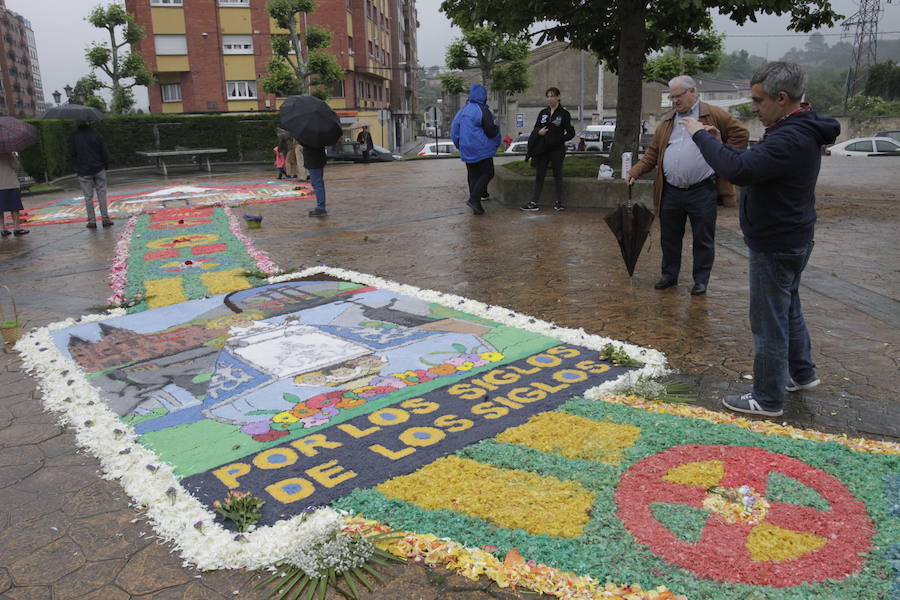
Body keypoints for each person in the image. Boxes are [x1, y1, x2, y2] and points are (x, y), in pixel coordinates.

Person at [682, 61, 839, 418]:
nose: (753, 108)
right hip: (793, 236)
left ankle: (767, 398)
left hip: (776, 241)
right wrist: (721, 144)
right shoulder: (797, 127)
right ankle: (801, 374)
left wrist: (700, 135)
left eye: (758, 100)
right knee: (788, 308)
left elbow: (739, 171)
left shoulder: (790, 137)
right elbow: (753, 164)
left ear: (782, 98)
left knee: (768, 320)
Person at [626, 75, 748, 295]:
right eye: (671, 97)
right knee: (669, 237)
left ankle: (701, 280)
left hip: (701, 190)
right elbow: (653, 153)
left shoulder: (713, 114)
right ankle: (669, 275)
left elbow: (741, 133)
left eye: (678, 96)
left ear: (692, 92)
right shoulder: (668, 121)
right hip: (671, 190)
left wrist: (724, 153)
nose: (674, 101)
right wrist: (635, 171)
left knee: (703, 237)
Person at [521, 87, 575, 212]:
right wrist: (538, 132)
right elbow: (536, 128)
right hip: (543, 149)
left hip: (557, 150)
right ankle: (533, 202)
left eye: (552, 96)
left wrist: (560, 139)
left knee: (557, 174)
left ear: (558, 97)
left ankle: (559, 201)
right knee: (540, 175)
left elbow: (571, 132)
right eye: (548, 96)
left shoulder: (564, 114)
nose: (550, 99)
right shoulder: (543, 113)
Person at [450, 83, 501, 215]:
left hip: (466, 149)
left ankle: (477, 204)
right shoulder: (483, 110)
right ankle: (474, 199)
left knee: (473, 175)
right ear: (484, 96)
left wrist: (458, 144)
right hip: (482, 148)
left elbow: (454, 130)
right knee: (488, 173)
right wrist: (497, 141)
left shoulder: (462, 111)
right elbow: (491, 131)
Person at [69, 121, 113, 229]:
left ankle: (92, 221)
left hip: (83, 170)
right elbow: (104, 152)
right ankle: (105, 218)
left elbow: (72, 154)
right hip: (98, 168)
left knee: (88, 197)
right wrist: (105, 165)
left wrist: (77, 167)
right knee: (101, 193)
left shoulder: (74, 137)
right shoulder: (96, 134)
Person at [0, 152, 28, 236]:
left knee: (0, 209)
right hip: (10, 183)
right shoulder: (7, 152)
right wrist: (13, 156)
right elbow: (16, 165)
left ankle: (3, 229)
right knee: (14, 207)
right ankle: (17, 228)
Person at [302, 143, 328, 217]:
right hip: (319, 161)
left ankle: (321, 208)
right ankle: (321, 206)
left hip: (313, 162)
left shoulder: (309, 137)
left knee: (317, 184)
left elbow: (306, 145)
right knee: (319, 183)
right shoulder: (319, 136)